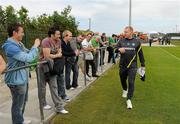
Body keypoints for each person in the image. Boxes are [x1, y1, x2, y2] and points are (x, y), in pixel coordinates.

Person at [2, 23, 40, 124]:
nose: (23, 34)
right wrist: (35, 46)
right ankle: (17, 122)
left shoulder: (19, 44)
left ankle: (20, 120)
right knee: (18, 104)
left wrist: (35, 51)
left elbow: (28, 53)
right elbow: (28, 57)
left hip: (22, 78)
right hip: (15, 81)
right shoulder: (10, 47)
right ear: (15, 33)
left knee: (22, 102)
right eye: (21, 32)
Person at [39, 27, 68, 114]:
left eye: (59, 34)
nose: (59, 36)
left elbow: (60, 52)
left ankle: (59, 107)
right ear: (52, 35)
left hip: (53, 66)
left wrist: (56, 55)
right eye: (58, 34)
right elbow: (47, 56)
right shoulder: (45, 41)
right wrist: (57, 55)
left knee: (54, 86)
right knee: (42, 87)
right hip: (43, 66)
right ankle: (43, 104)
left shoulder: (58, 41)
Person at [116, 26, 145, 109]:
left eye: (126, 32)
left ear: (131, 32)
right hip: (122, 65)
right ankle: (125, 89)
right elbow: (114, 49)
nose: (124, 33)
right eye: (124, 31)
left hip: (133, 66)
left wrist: (143, 65)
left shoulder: (137, 42)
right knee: (122, 79)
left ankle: (129, 100)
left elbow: (140, 54)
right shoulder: (121, 41)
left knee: (131, 82)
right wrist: (118, 49)